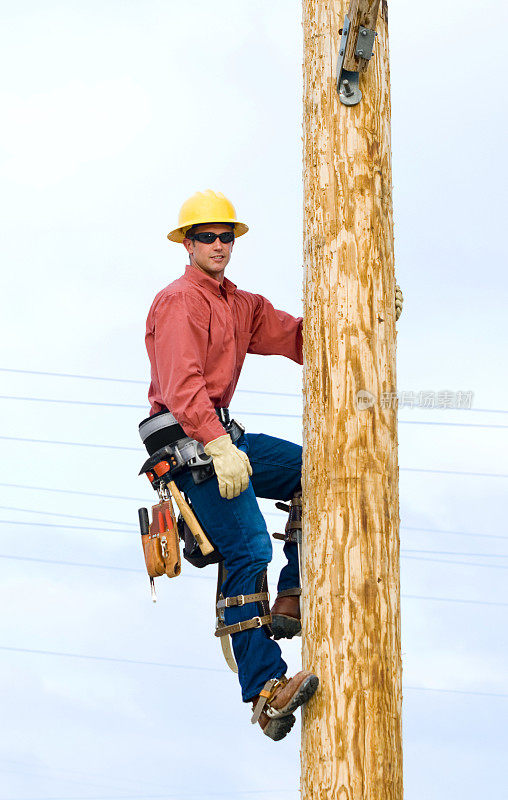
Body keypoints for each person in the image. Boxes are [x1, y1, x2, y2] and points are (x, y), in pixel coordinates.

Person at [144, 190, 402, 740]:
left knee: (319, 472)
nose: (218, 245)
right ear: (186, 244)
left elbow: (308, 340)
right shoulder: (178, 301)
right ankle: (265, 691)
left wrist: (373, 313)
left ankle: (293, 592)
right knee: (247, 550)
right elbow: (180, 384)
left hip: (223, 437)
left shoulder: (241, 305)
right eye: (206, 236)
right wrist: (216, 444)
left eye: (226, 236)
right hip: (190, 451)